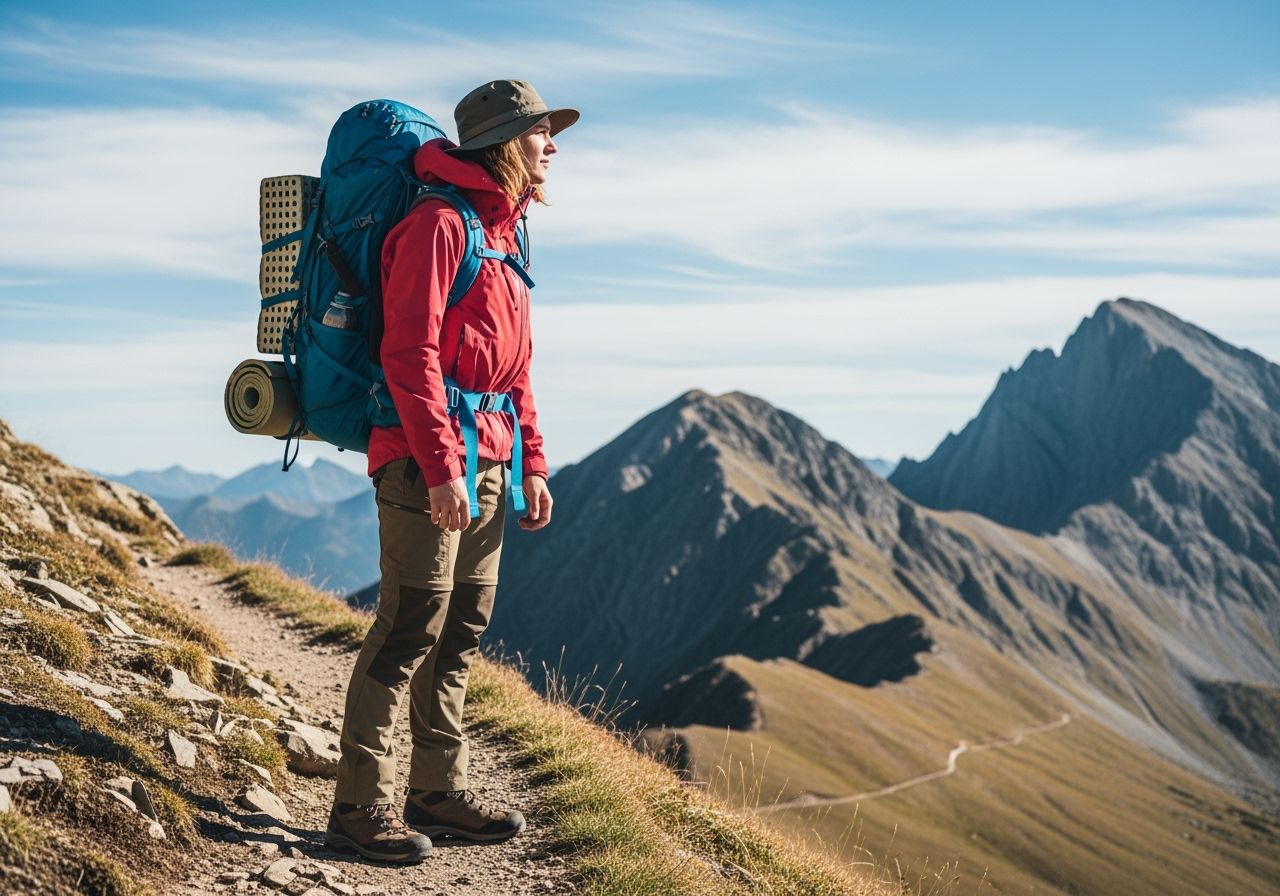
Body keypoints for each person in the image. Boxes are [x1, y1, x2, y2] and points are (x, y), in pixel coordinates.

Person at [325, 80, 578, 863]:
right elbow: (410, 354)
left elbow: (515, 368)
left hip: (491, 460)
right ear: (504, 141)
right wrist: (441, 470)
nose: (553, 146)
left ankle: (436, 791)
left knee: (462, 628)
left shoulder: (507, 234)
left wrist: (532, 463)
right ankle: (358, 806)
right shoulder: (438, 225)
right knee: (409, 627)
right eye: (540, 132)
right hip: (424, 460)